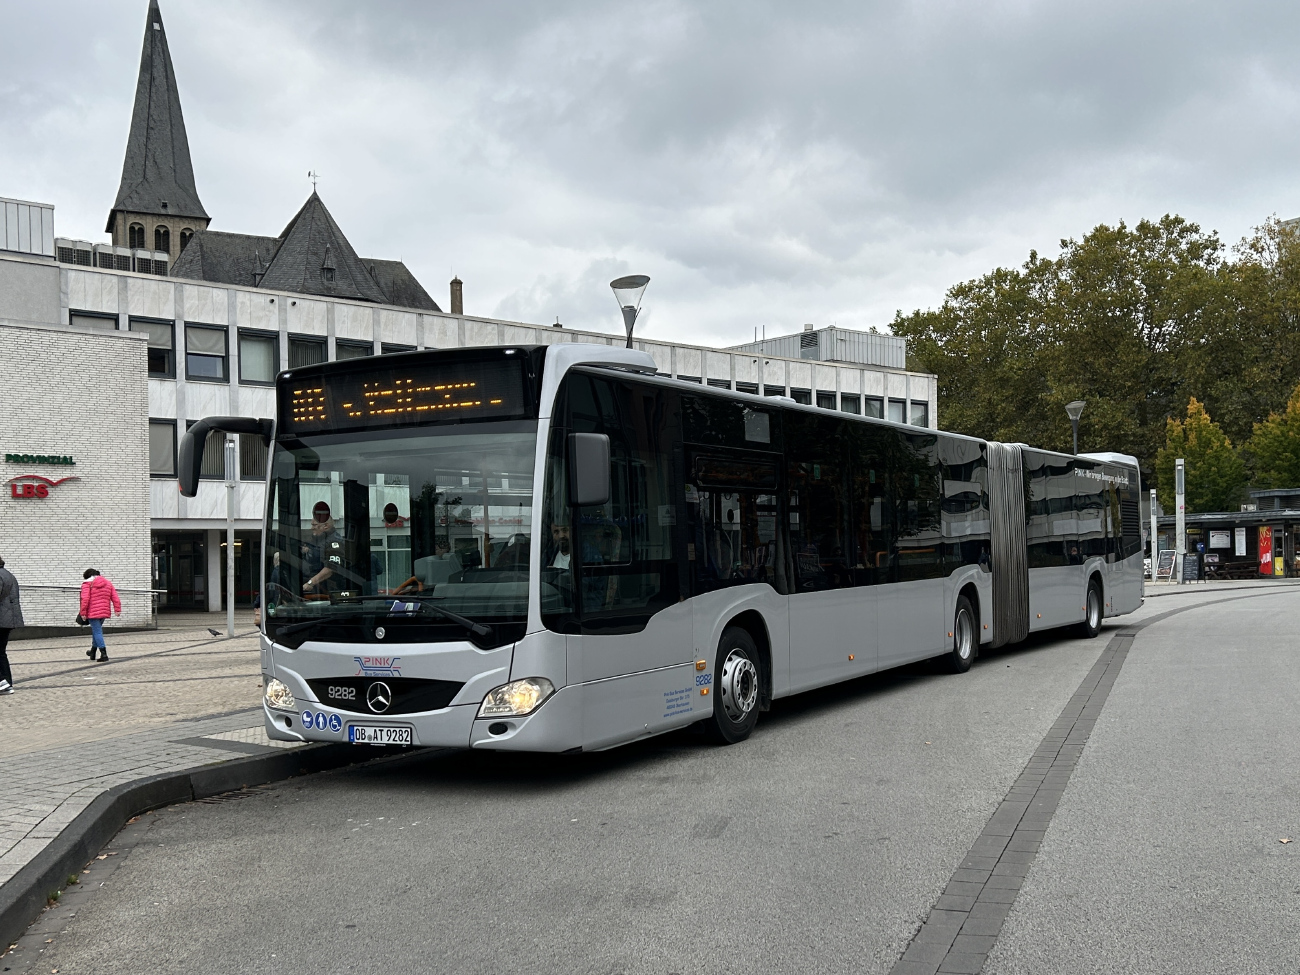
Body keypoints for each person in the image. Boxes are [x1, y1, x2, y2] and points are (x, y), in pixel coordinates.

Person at [301, 501, 345, 595]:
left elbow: (330, 568)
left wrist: (310, 583)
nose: (311, 528)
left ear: (325, 526)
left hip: (327, 591)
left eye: (314, 525)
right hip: (315, 589)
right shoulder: (318, 541)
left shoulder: (334, 542)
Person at [80, 568, 121, 663]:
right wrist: (117, 609)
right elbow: (115, 597)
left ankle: (104, 654)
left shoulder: (87, 584)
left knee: (97, 632)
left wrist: (83, 612)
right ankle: (93, 651)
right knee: (96, 631)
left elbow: (84, 599)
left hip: (92, 612)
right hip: (104, 611)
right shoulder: (108, 583)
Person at [0, 556, 23, 694]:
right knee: (1, 653)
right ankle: (7, 684)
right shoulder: (9, 575)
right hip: (8, 620)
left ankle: (2, 681)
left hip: (2, 619)